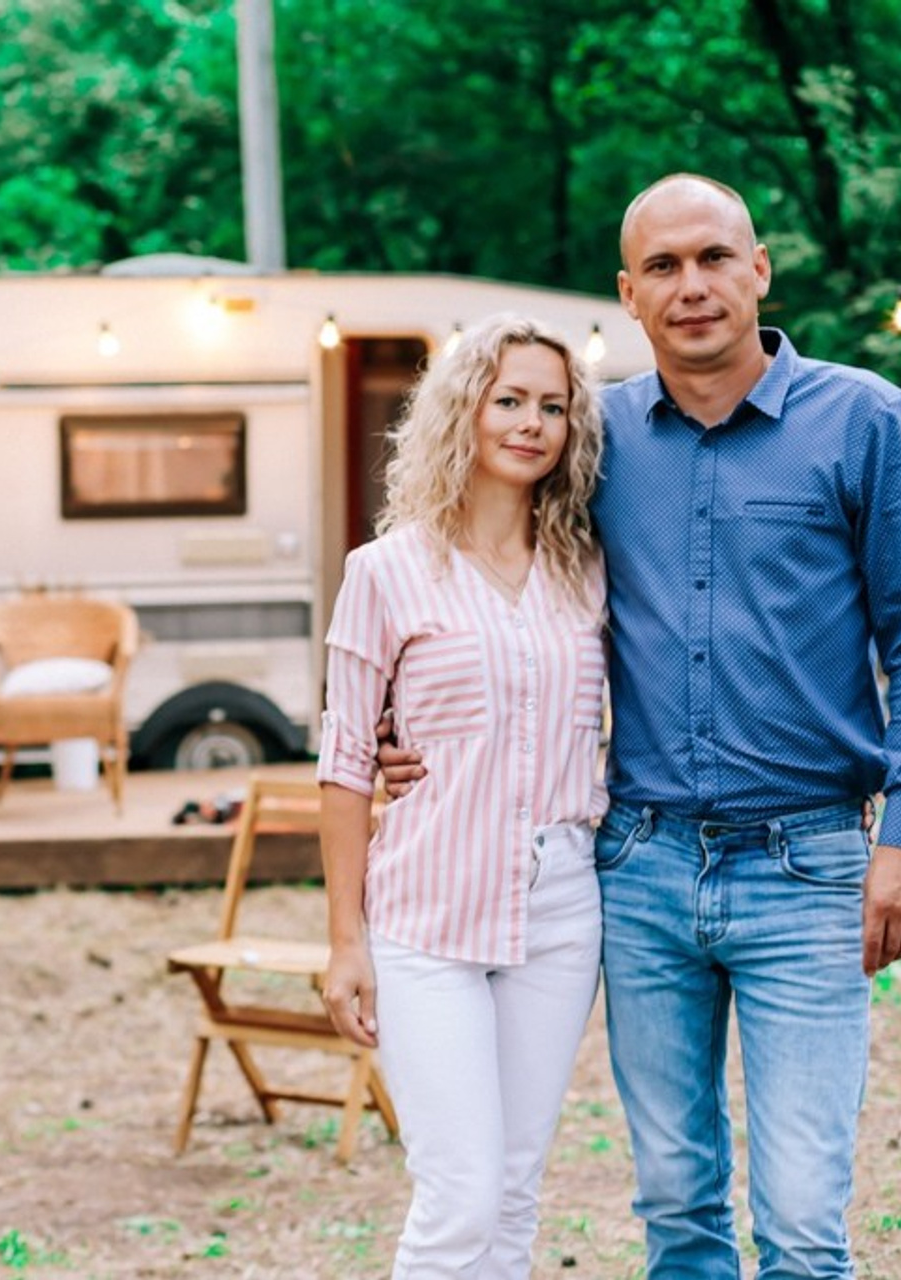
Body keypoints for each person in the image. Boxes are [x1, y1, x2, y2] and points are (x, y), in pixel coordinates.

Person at [377, 173, 901, 1279]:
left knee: (803, 1221)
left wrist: (897, 838)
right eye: (662, 266)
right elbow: (488, 577)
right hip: (639, 866)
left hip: (807, 866)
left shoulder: (864, 421)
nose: (691, 285)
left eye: (713, 258)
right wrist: (399, 723)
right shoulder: (592, 438)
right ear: (627, 294)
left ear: (759, 269)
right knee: (674, 1205)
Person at [318, 313, 608, 1278]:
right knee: (461, 1196)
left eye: (553, 407)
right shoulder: (385, 572)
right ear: (462, 412)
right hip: (427, 915)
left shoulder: (586, 571)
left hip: (560, 909)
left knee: (516, 1191)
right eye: (509, 400)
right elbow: (345, 762)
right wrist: (346, 942)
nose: (532, 423)